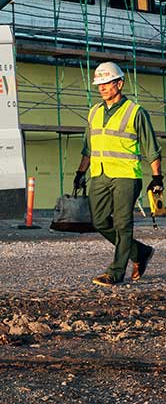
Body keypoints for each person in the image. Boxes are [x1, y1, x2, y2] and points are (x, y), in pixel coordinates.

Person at [74, 62, 158, 286]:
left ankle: (115, 272)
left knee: (123, 224)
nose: (101, 88)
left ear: (119, 83)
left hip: (126, 176)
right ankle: (139, 252)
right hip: (99, 175)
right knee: (100, 221)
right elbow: (88, 148)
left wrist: (157, 178)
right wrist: (80, 172)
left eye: (106, 83)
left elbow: (151, 147)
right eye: (99, 84)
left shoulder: (135, 112)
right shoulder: (94, 112)